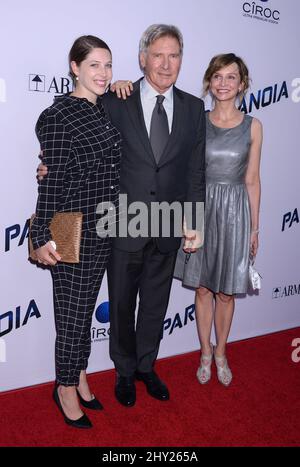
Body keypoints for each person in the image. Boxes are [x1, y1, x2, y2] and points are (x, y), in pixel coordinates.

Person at [38, 24, 206, 407]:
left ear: (182, 60)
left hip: (166, 223)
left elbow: (196, 172)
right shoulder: (114, 100)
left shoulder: (195, 109)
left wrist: (193, 221)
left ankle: (146, 366)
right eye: (158, 55)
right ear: (143, 58)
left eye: (174, 55)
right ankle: (123, 373)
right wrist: (47, 168)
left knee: (153, 306)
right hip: (112, 223)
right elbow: (68, 147)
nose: (166, 64)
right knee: (111, 304)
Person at [31, 35, 122, 428]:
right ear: (74, 67)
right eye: (94, 65)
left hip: (103, 222)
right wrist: (39, 238)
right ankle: (65, 387)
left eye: (107, 65)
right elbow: (49, 182)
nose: (102, 73)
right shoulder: (58, 116)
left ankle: (80, 374)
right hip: (69, 225)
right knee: (71, 314)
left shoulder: (102, 109)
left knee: (84, 310)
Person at [175, 53, 263, 386]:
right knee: (202, 287)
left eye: (231, 77)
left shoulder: (254, 125)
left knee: (226, 292)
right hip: (200, 208)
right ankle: (204, 353)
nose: (223, 83)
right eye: (217, 76)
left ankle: (222, 351)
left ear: (242, 84)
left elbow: (252, 179)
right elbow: (184, 172)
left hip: (234, 213)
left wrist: (254, 227)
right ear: (209, 82)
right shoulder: (197, 121)